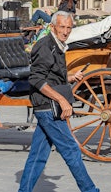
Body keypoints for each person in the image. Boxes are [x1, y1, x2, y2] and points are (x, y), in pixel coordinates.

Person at [18, 11, 98, 192]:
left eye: (69, 27)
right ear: (53, 27)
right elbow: (37, 79)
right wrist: (62, 100)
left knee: (38, 155)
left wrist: (70, 77)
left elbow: (51, 75)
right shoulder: (45, 46)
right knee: (71, 150)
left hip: (46, 106)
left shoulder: (57, 45)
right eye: (62, 27)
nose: (66, 31)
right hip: (48, 107)